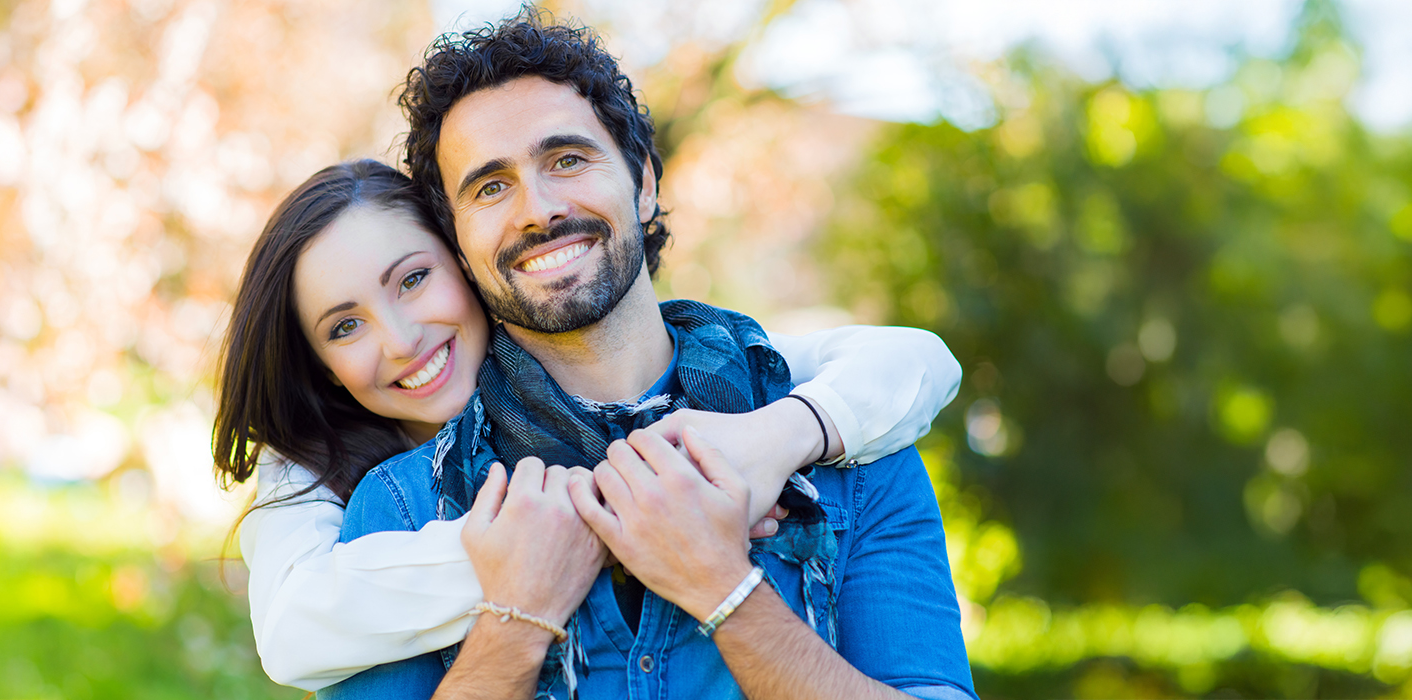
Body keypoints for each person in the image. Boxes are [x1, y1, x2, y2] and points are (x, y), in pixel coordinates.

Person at [323, 10, 976, 700]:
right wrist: (517, 624)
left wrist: (723, 588)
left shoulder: (852, 456)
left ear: (644, 183)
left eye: (567, 159)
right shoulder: (404, 507)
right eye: (491, 187)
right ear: (457, 243)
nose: (537, 209)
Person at [214, 159, 962, 691]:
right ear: (320, 367)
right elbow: (292, 635)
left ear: (467, 261)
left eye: (413, 279)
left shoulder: (751, 391)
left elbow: (904, 359)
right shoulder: (354, 497)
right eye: (345, 328)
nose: (402, 339)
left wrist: (781, 439)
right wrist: (544, 572)